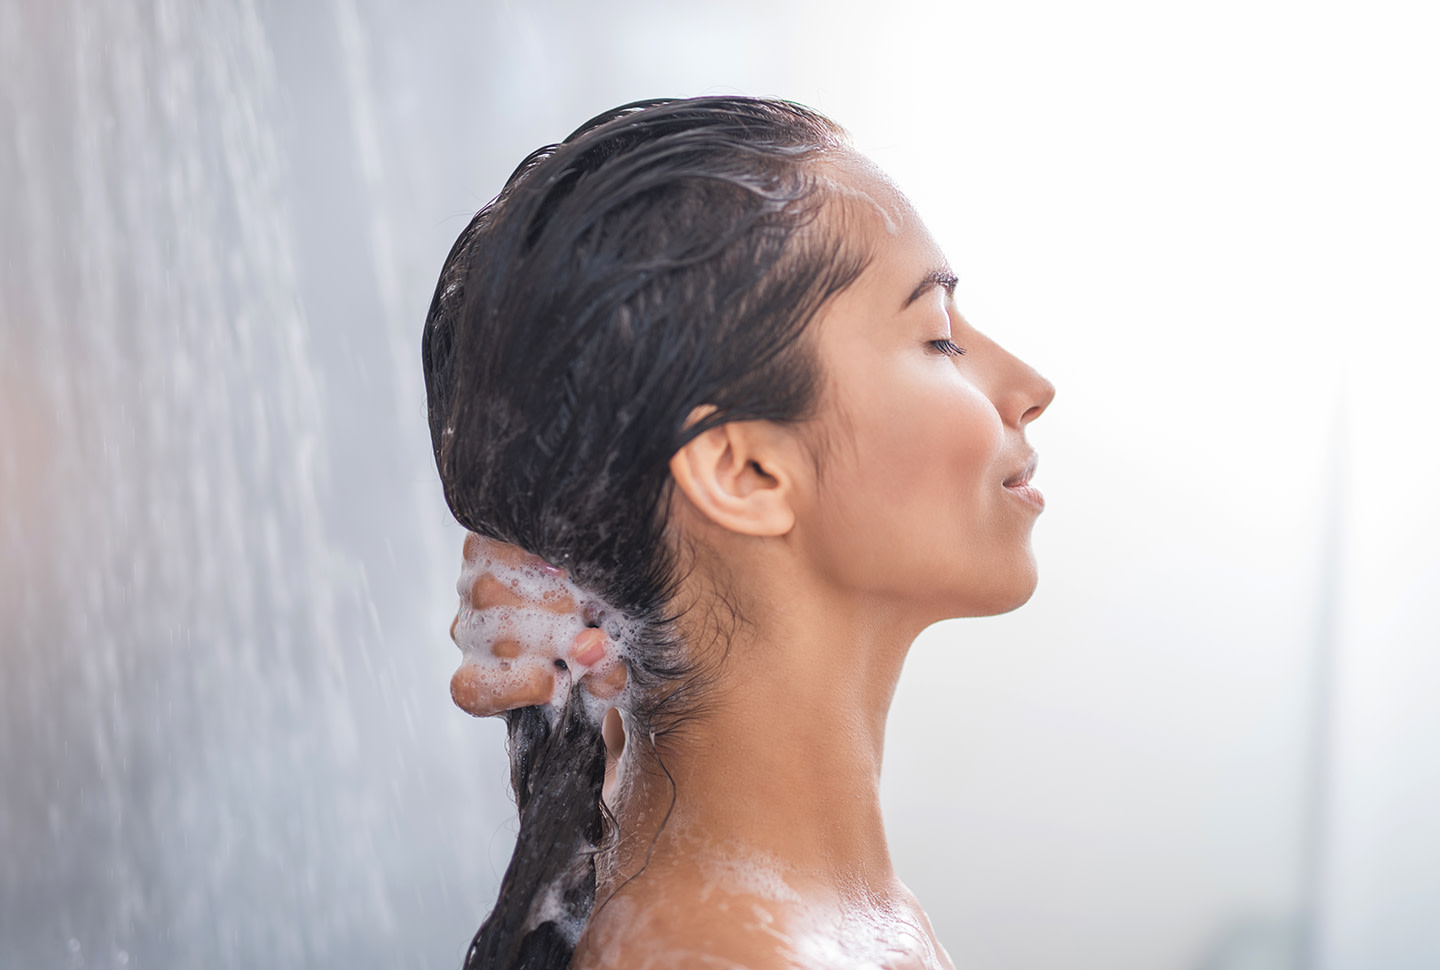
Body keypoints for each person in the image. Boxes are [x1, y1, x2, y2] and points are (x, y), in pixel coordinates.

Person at [422, 96, 1054, 970]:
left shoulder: (808, 915)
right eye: (939, 337)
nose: (1031, 386)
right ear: (742, 473)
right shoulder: (723, 951)